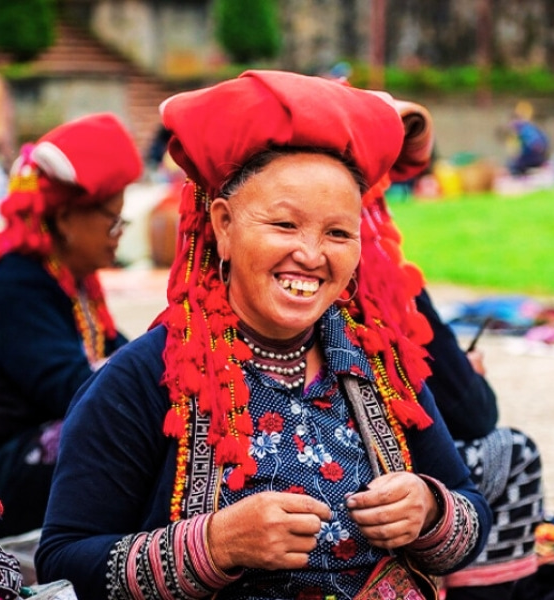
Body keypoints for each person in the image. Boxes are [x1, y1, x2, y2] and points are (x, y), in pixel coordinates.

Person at [36, 70, 491, 600]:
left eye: (339, 233)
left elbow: (470, 508)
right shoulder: (140, 379)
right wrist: (215, 544)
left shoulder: (379, 365)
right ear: (224, 224)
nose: (313, 255)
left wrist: (430, 509)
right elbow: (63, 563)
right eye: (284, 225)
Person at [0, 112, 143, 537]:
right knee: (90, 427)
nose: (118, 235)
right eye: (112, 220)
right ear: (67, 220)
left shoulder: (75, 282)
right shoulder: (16, 285)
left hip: (7, 454)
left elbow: (127, 359)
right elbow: (77, 391)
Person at [359, 101, 544, 600]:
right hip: (366, 482)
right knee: (513, 451)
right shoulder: (375, 271)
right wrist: (469, 377)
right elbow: (474, 415)